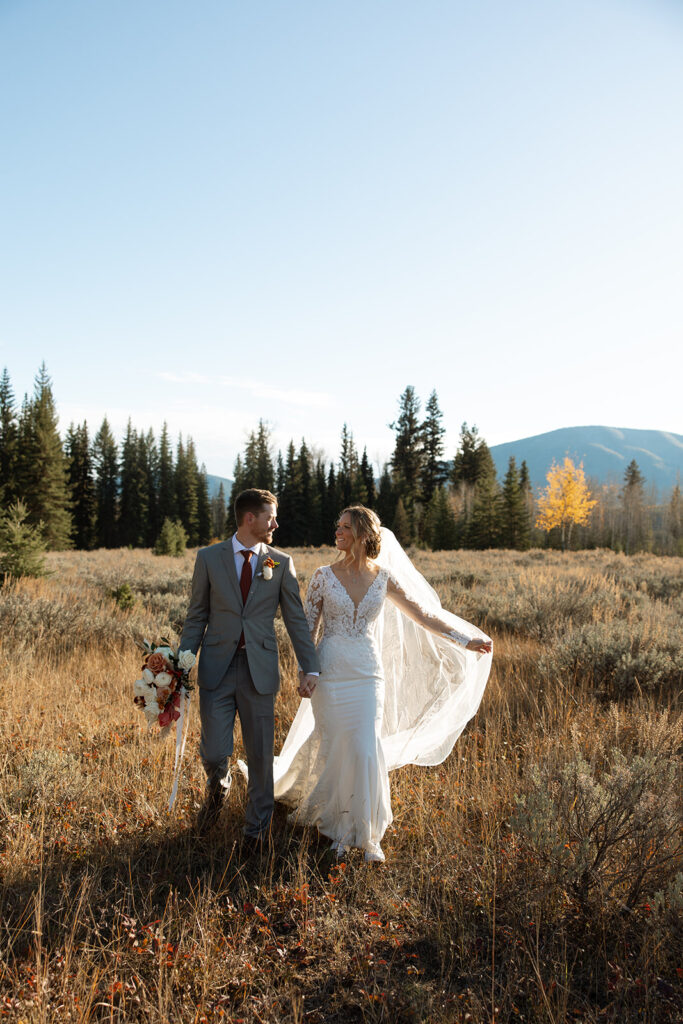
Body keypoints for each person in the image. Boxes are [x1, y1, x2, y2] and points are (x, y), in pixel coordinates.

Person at [272, 505, 493, 863]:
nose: (337, 531)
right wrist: (305, 672)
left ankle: (368, 834)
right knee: (339, 747)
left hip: (368, 674)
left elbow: (424, 614)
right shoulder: (323, 576)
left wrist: (464, 639)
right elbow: (307, 630)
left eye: (345, 527)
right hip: (330, 673)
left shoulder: (385, 577)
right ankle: (340, 832)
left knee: (364, 747)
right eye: (337, 524)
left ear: (362, 535)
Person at [180, 488, 320, 840]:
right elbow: (197, 615)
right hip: (217, 667)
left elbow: (295, 621)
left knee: (260, 755)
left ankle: (256, 830)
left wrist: (311, 666)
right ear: (250, 518)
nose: (276, 523)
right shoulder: (209, 558)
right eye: (270, 517)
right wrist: (181, 662)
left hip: (259, 669)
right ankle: (219, 784)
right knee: (214, 751)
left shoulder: (281, 562)